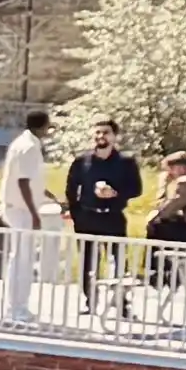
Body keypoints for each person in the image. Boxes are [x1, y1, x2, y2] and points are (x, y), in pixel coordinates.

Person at [59, 123, 145, 306]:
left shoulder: (125, 161)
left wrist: (115, 193)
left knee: (119, 259)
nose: (101, 136)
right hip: (87, 218)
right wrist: (75, 214)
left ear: (114, 136)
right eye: (97, 132)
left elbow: (136, 189)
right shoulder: (82, 161)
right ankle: (90, 299)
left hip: (113, 216)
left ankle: (120, 300)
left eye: (105, 132)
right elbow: (71, 189)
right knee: (88, 261)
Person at [0, 109, 62, 324]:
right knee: (22, 259)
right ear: (43, 126)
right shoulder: (29, 147)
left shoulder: (23, 143)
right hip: (20, 210)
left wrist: (45, 193)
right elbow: (22, 182)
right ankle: (15, 309)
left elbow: (29, 180)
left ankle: (18, 307)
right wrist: (34, 213)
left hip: (18, 207)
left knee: (22, 258)